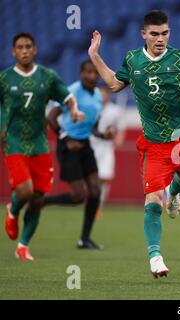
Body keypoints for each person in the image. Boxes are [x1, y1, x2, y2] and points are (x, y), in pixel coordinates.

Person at [88, 10, 180, 278]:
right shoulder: (133, 60)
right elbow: (115, 85)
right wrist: (94, 55)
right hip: (152, 144)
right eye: (154, 34)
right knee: (152, 200)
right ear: (144, 34)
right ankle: (155, 257)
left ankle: (174, 192)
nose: (160, 38)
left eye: (164, 33)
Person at [1, 33, 82, 261]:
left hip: (40, 145)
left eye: (28, 46)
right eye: (20, 47)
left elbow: (67, 97)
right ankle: (13, 210)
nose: (24, 50)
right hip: (15, 143)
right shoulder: (5, 79)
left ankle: (23, 246)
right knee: (25, 191)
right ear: (13, 52)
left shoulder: (47, 76)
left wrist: (73, 110)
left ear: (35, 49)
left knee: (37, 199)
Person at [43, 60, 110, 249]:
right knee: (79, 196)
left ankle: (84, 239)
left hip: (84, 145)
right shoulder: (71, 92)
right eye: (87, 72)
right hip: (68, 146)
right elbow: (51, 117)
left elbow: (93, 127)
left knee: (96, 190)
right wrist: (65, 139)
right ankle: (43, 201)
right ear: (81, 74)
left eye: (94, 73)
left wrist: (104, 135)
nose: (91, 76)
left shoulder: (98, 96)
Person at [90, 85, 126, 217]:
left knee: (104, 177)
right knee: (91, 178)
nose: (102, 96)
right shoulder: (91, 108)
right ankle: (90, 203)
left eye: (104, 93)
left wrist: (118, 139)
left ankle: (98, 207)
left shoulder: (115, 111)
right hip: (91, 145)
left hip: (106, 147)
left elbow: (121, 128)